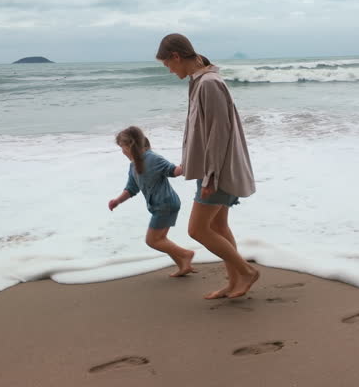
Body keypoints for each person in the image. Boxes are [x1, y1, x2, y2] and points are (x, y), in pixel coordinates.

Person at [156, 33, 259, 299]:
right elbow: (203, 131)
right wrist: (192, 161)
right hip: (213, 168)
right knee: (219, 227)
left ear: (176, 56)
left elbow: (219, 134)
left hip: (218, 170)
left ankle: (246, 272)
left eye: (168, 64)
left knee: (197, 229)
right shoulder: (201, 81)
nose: (169, 70)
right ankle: (235, 281)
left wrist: (211, 177)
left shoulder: (209, 83)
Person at [108, 126, 196, 277]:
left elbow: (173, 171)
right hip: (160, 205)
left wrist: (185, 163)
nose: (122, 151)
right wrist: (117, 201)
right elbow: (131, 188)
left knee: (152, 240)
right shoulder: (133, 165)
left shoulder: (152, 158)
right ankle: (183, 265)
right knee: (160, 239)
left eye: (122, 147)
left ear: (130, 145)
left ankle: (186, 254)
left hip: (166, 204)